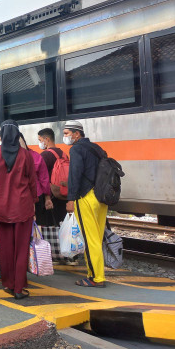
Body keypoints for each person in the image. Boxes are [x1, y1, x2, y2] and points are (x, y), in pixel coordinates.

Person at [0, 120, 37, 300]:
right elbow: (32, 182)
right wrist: (34, 202)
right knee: (21, 248)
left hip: (1, 207)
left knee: (5, 248)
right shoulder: (26, 155)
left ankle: (8, 282)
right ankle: (19, 287)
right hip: (23, 208)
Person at [63, 120, 108, 288]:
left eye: (67, 133)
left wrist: (71, 199)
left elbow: (74, 175)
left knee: (90, 239)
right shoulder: (96, 148)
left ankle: (96, 278)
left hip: (86, 197)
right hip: (101, 198)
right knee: (96, 237)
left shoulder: (76, 149)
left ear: (77, 133)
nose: (65, 136)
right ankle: (94, 273)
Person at [38, 128, 72, 220]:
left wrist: (46, 198)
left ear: (47, 140)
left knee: (52, 226)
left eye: (40, 140)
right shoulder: (64, 154)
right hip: (64, 194)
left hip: (51, 197)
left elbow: (41, 178)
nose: (39, 143)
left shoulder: (45, 155)